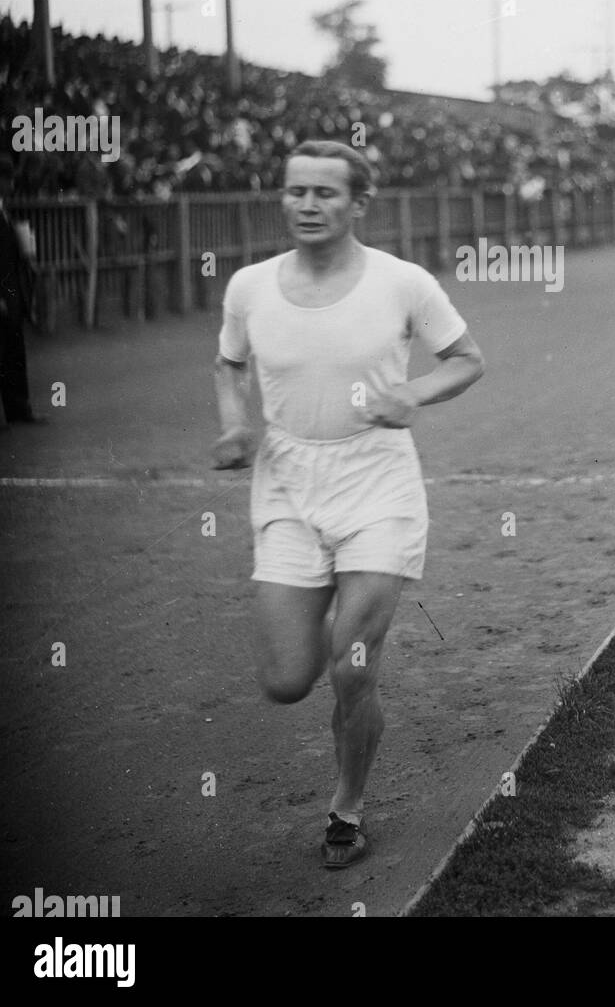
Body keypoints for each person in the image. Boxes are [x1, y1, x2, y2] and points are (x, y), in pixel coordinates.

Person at [212, 140, 484, 867]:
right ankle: (325, 649)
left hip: (377, 484)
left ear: (359, 203)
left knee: (353, 668)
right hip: (288, 484)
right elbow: (229, 362)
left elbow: (465, 360)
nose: (307, 204)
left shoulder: (402, 283)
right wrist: (237, 424)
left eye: (325, 194)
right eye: (296, 191)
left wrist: (412, 394)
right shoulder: (250, 287)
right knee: (285, 681)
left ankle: (346, 810)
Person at [0, 153, 46, 430]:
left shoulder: (1, 209)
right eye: (8, 179)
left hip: (11, 291)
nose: (12, 184)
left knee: (13, 353)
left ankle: (17, 409)